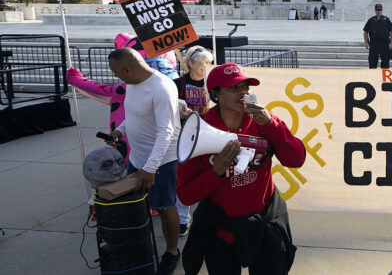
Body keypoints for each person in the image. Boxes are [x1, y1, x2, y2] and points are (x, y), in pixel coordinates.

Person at [177, 63, 307, 274]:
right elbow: (185, 195)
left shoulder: (263, 121)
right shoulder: (198, 131)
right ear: (215, 94)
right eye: (233, 88)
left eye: (245, 87)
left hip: (264, 224)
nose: (243, 93)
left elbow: (296, 159)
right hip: (220, 231)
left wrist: (272, 125)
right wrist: (216, 171)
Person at [106, 47, 182, 275]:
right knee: (138, 206)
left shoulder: (161, 88)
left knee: (165, 207)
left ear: (128, 68)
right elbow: (133, 116)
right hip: (138, 158)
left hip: (162, 161)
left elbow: (166, 132)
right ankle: (142, 246)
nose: (116, 76)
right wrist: (119, 131)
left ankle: (172, 252)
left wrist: (151, 168)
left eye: (117, 72)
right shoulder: (132, 83)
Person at [173, 44, 216, 237]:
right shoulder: (178, 84)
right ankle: (183, 220)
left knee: (211, 174)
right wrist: (181, 114)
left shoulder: (213, 83)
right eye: (202, 64)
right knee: (186, 177)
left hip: (210, 135)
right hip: (186, 136)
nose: (206, 67)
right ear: (190, 63)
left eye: (209, 63)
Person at [363, 3, 392, 68]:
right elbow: (365, 31)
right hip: (374, 44)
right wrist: (366, 42)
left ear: (382, 10)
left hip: (384, 43)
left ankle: (383, 78)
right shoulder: (371, 20)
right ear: (375, 10)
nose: (379, 11)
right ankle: (373, 78)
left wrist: (391, 42)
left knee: (385, 64)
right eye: (377, 10)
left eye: (380, 10)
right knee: (372, 63)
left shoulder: (386, 19)